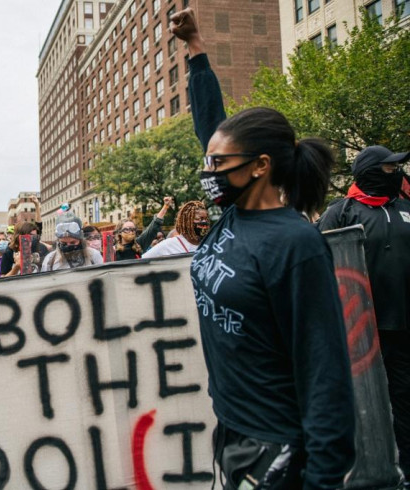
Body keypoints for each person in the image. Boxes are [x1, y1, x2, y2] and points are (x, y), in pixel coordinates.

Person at [171, 8, 355, 489]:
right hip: (233, 425)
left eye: (217, 163)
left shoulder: (295, 244)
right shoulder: (235, 210)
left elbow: (326, 372)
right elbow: (210, 122)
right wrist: (195, 49)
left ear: (259, 166)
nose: (207, 172)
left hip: (276, 448)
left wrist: (323, 477)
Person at [317, 145, 410, 481]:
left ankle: (407, 468)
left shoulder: (405, 207)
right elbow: (318, 261)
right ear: (369, 170)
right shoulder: (341, 211)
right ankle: (362, 467)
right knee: (362, 399)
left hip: (403, 325)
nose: (395, 173)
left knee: (405, 397)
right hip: (359, 329)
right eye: (388, 168)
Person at [143, 201, 210, 258]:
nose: (204, 222)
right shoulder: (168, 245)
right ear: (187, 221)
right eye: (199, 219)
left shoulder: (209, 244)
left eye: (205, 219)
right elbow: (142, 262)